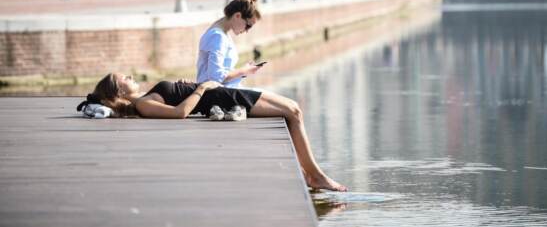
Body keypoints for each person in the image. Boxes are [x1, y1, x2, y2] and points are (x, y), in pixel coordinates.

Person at [77, 73, 347, 192]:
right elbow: (179, 113)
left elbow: (176, 99)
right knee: (294, 111)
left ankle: (311, 174)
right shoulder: (143, 104)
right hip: (223, 98)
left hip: (220, 93)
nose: (129, 75)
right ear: (119, 91)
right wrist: (201, 89)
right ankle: (316, 176)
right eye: (124, 77)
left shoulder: (145, 97)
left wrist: (188, 86)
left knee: (293, 112)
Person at [196, 0, 262, 87]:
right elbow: (216, 77)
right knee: (283, 102)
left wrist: (245, 70)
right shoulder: (217, 36)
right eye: (248, 26)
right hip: (218, 95)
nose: (247, 30)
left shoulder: (222, 34)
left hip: (226, 91)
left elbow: (221, 72)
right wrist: (243, 70)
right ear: (237, 16)